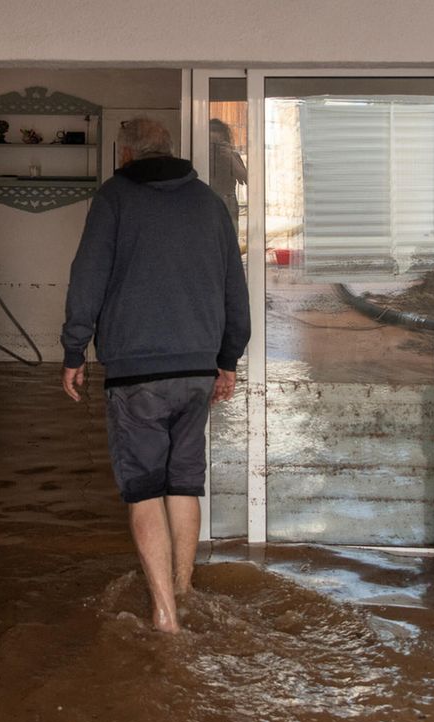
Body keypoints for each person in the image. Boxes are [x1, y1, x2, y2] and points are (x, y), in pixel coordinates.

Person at [60, 117, 251, 634]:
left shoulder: (114, 199)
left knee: (144, 490)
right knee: (183, 484)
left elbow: (88, 277)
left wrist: (74, 349)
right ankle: (185, 591)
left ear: (125, 154)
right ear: (170, 150)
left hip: (136, 372)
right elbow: (236, 288)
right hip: (196, 371)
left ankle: (165, 615)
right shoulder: (210, 204)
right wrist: (228, 359)